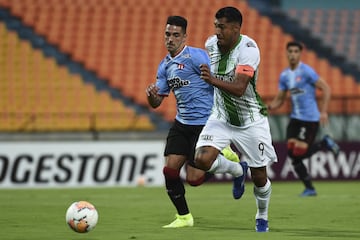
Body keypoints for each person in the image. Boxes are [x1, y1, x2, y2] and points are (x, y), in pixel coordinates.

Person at [145, 16, 240, 229]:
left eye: (175, 35)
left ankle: (229, 162)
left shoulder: (197, 57)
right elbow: (157, 102)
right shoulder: (164, 66)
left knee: (194, 180)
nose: (170, 39)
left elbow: (221, 81)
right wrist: (151, 96)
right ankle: (184, 217)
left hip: (205, 125)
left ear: (184, 37)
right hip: (181, 124)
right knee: (169, 171)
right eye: (167, 34)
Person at [194, 7, 277, 232]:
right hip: (221, 117)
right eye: (216, 26)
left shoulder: (248, 49)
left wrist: (211, 79)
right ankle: (237, 170)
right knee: (201, 160)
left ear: (236, 28)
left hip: (250, 120)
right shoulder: (210, 45)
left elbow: (240, 88)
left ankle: (262, 215)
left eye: (222, 27)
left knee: (260, 176)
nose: (217, 31)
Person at [267, 41, 340, 197]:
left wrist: (324, 112)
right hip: (295, 119)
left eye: (296, 51)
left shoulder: (307, 72)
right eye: (290, 51)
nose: (293, 54)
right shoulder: (285, 75)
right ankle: (310, 188)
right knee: (293, 156)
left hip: (310, 119)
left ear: (300, 54)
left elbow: (326, 88)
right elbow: (280, 99)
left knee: (297, 154)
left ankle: (324, 143)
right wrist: (269, 108)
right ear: (286, 53)